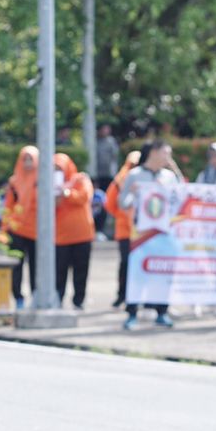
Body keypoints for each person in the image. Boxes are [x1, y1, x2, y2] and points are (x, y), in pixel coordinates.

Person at [120, 140, 180, 329]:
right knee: (137, 273)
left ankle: (162, 312)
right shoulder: (135, 175)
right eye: (165, 153)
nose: (167, 158)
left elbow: (180, 200)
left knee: (163, 272)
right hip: (141, 232)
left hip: (163, 232)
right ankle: (131, 313)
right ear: (153, 152)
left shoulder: (169, 177)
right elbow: (123, 203)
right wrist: (133, 193)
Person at [52, 153, 95, 310]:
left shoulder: (80, 179)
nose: (57, 171)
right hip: (60, 237)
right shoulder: (48, 183)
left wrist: (66, 193)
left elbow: (84, 197)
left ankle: (79, 300)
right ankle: (57, 299)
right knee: (59, 272)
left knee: (81, 270)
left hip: (82, 234)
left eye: (60, 168)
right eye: (54, 168)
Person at [2, 146, 40, 305]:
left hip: (36, 230)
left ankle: (36, 296)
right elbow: (8, 206)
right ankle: (18, 297)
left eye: (31, 159)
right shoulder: (14, 181)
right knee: (16, 265)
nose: (28, 163)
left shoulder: (42, 180)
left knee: (35, 267)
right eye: (25, 159)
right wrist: (4, 229)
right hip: (16, 229)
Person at [103, 150, 141, 307]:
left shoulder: (148, 180)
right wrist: (121, 215)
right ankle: (122, 295)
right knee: (125, 264)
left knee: (141, 264)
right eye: (132, 164)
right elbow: (109, 203)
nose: (134, 168)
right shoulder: (120, 181)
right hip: (125, 231)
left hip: (142, 232)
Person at [92, 124, 121, 191]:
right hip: (98, 172)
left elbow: (115, 155)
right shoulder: (95, 141)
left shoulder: (111, 141)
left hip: (109, 172)